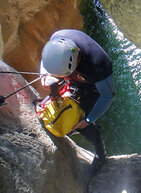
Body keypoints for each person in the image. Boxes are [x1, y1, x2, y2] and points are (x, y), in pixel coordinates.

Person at [40, 29, 115, 170]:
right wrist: (45, 75)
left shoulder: (99, 65)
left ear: (77, 60)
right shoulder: (58, 38)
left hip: (93, 88)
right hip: (74, 80)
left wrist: (88, 119)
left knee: (85, 125)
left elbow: (107, 96)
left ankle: (101, 157)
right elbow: (47, 59)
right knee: (61, 107)